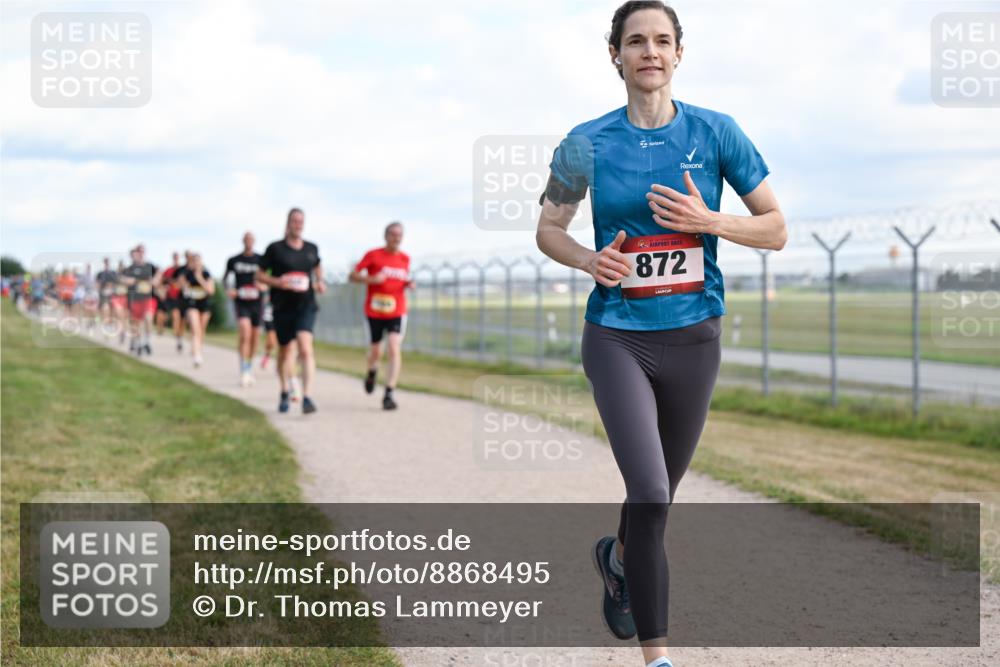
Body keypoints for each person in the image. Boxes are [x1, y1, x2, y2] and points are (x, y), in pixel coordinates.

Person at [534, 3, 786, 666]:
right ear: (614, 54)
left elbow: (776, 228)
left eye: (662, 41)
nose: (650, 51)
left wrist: (711, 221)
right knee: (647, 491)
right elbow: (549, 228)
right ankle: (659, 657)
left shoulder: (717, 131)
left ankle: (618, 558)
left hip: (695, 337)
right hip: (616, 334)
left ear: (679, 54)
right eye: (636, 41)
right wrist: (589, 260)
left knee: (658, 500)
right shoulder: (584, 142)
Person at [257, 208, 325, 414]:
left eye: (301, 221)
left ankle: (307, 397)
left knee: (305, 348)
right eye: (295, 221)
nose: (298, 225)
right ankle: (285, 390)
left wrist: (320, 281)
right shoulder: (275, 249)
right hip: (282, 306)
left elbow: (317, 266)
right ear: (288, 223)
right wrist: (277, 281)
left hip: (305, 305)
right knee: (285, 351)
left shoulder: (311, 248)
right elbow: (259, 275)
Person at [349, 221, 413, 410]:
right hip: (374, 311)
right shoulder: (373, 255)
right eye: (393, 234)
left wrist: (409, 284)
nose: (396, 238)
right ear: (386, 236)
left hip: (397, 310)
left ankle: (389, 393)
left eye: (400, 235)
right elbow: (352, 275)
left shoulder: (405, 259)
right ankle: (372, 371)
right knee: (376, 351)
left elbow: (402, 280)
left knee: (394, 347)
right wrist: (370, 279)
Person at [224, 232, 265, 386]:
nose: (249, 241)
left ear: (254, 241)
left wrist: (264, 286)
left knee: (255, 337)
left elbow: (269, 277)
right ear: (243, 241)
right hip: (241, 302)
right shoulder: (234, 260)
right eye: (246, 239)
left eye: (251, 239)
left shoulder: (261, 260)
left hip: (257, 302)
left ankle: (249, 365)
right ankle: (244, 369)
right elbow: (226, 279)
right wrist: (230, 289)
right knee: (245, 333)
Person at [120, 245, 160, 356]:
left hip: (148, 299)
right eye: (139, 252)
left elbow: (159, 274)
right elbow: (122, 279)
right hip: (134, 299)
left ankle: (146, 341)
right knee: (136, 324)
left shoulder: (150, 266)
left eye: (143, 251)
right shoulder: (129, 269)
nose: (141, 254)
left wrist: (155, 280)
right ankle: (136, 342)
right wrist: (130, 281)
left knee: (148, 318)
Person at [177, 252, 215, 367]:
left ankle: (197, 348)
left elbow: (210, 291)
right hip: (191, 304)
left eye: (198, 261)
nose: (196, 263)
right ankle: (197, 355)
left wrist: (200, 278)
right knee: (195, 328)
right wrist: (185, 284)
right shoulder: (186, 274)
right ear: (191, 263)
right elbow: (180, 286)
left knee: (201, 330)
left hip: (204, 305)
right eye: (194, 261)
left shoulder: (206, 274)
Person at [159, 252, 185, 353]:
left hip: (179, 298)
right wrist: (163, 289)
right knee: (167, 315)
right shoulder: (168, 270)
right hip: (169, 297)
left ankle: (177, 335)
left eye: (177, 257)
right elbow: (162, 282)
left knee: (179, 317)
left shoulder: (182, 270)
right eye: (174, 257)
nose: (176, 259)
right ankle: (164, 329)